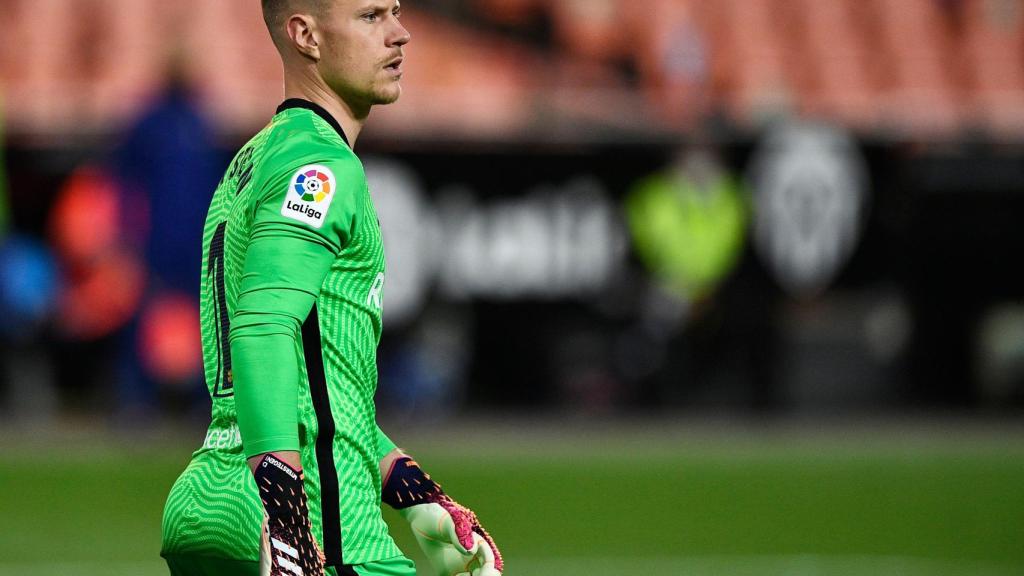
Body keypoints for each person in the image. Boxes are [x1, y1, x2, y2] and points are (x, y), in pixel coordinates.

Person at [160, 2, 503, 575]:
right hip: (320, 524)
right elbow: (263, 327)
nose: (400, 33)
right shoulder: (320, 166)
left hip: (215, 493)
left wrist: (417, 495)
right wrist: (287, 518)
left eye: (395, 12)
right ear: (306, 35)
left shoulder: (255, 158)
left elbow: (321, 394)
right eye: (370, 16)